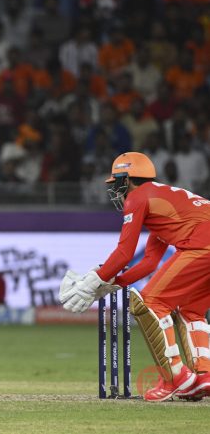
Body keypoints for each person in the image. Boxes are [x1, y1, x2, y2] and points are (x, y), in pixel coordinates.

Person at [59, 152, 210, 402]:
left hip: (202, 245)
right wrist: (114, 283)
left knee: (149, 303)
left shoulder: (138, 197)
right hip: (203, 243)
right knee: (190, 310)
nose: (115, 189)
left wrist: (92, 282)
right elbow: (149, 262)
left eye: (116, 182)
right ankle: (203, 375)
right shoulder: (164, 201)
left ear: (126, 179)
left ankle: (177, 379)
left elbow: (124, 253)